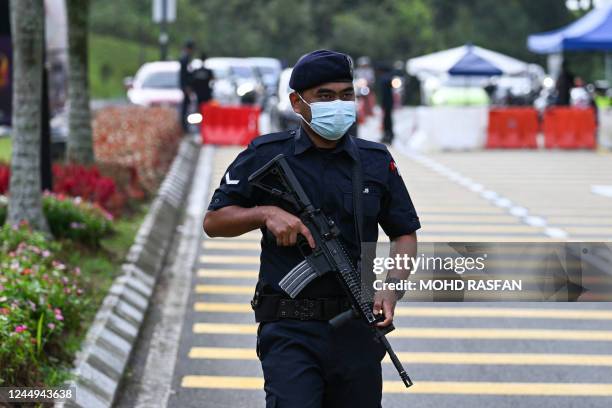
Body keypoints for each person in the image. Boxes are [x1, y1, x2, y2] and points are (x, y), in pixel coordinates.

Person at [203, 49, 420, 408]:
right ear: (297, 102)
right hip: (290, 329)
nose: (339, 103)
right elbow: (214, 220)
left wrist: (391, 290)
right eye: (325, 96)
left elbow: (404, 233)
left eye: (346, 94)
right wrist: (265, 214)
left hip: (357, 328)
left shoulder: (375, 161)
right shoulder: (266, 154)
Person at [179, 40, 195, 132]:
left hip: (186, 86)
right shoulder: (185, 59)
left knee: (187, 106)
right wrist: (186, 86)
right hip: (185, 86)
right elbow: (184, 75)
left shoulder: (187, 58)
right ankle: (184, 125)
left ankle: (185, 125)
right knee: (185, 107)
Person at [378, 65, 395, 144]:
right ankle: (388, 134)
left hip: (387, 102)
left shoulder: (385, 78)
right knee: (387, 118)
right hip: (388, 102)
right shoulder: (389, 78)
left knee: (387, 119)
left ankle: (388, 134)